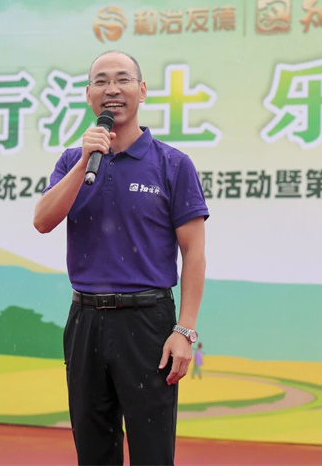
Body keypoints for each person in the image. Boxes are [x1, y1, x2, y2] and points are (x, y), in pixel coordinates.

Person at [33, 50, 209, 465]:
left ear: (142, 91)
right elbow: (42, 220)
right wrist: (83, 162)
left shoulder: (172, 164)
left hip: (147, 323)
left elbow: (194, 253)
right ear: (89, 95)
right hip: (85, 321)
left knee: (152, 452)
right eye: (101, 81)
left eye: (122, 79)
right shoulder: (72, 161)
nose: (111, 89)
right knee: (93, 450)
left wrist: (184, 331)